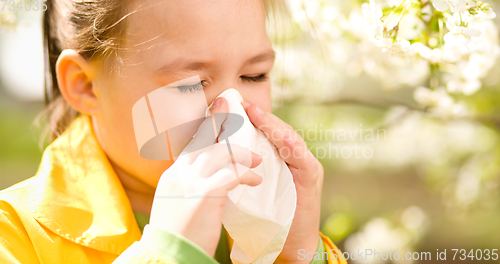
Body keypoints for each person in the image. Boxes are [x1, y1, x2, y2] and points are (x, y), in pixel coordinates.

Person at [0, 0, 347, 263]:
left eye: (254, 75)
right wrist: (169, 251)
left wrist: (295, 251)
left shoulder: (258, 211)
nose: (232, 108)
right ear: (87, 87)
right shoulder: (13, 235)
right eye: (190, 83)